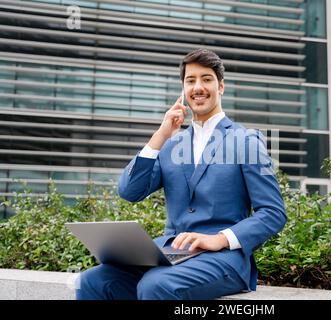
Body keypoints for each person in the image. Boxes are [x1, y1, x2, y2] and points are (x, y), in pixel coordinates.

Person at [76, 48, 287, 300]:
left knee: (155, 285)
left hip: (222, 259)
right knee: (92, 281)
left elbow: (273, 213)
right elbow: (129, 191)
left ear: (221, 87)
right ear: (183, 90)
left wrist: (219, 239)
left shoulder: (246, 140)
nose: (198, 87)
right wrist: (161, 134)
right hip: (171, 253)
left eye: (206, 79)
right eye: (190, 80)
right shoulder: (171, 145)